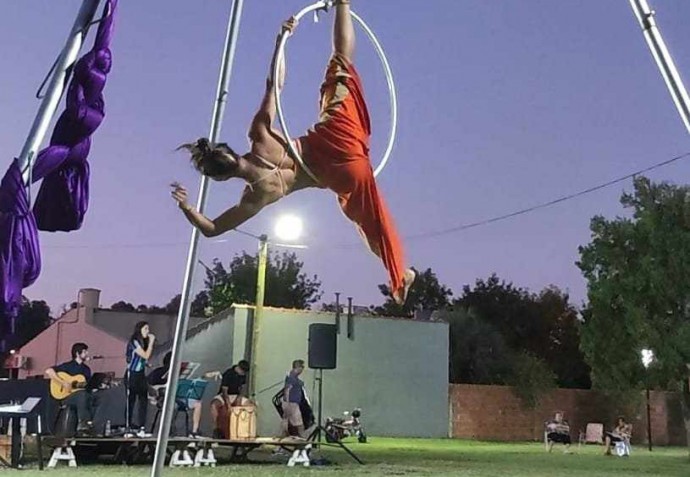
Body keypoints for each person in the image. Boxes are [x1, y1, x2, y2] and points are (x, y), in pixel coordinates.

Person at [171, 0, 416, 305]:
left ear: (220, 179)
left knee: (368, 223)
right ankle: (343, 3)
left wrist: (186, 208)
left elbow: (212, 229)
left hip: (339, 175)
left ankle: (398, 273)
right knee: (340, 65)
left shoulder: (255, 196)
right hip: (339, 136)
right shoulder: (259, 136)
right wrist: (281, 42)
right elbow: (275, 84)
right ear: (227, 149)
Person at [45, 343, 98, 436]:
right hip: (65, 397)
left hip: (80, 395)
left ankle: (94, 425)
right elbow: (48, 371)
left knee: (91, 396)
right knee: (82, 395)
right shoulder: (68, 366)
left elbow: (87, 385)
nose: (87, 353)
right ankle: (82, 424)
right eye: (85, 352)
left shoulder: (86, 369)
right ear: (77, 354)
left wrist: (94, 388)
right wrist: (63, 383)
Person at [148, 352, 204, 438]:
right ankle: (169, 429)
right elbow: (149, 386)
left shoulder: (179, 373)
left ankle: (194, 431)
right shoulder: (158, 372)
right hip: (163, 400)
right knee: (171, 404)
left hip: (179, 398)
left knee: (198, 404)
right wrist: (161, 388)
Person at [125, 321, 155, 437]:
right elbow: (145, 355)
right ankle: (128, 427)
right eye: (146, 329)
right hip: (132, 374)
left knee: (143, 400)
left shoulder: (143, 343)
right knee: (130, 401)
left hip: (141, 374)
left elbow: (143, 358)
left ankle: (141, 427)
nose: (148, 331)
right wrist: (151, 342)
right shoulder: (134, 342)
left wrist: (146, 364)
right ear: (140, 330)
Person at [207, 360, 251, 439]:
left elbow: (242, 388)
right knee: (214, 405)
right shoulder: (228, 373)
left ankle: (245, 429)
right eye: (243, 372)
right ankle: (216, 429)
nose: (243, 374)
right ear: (239, 368)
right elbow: (224, 391)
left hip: (236, 395)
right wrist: (229, 405)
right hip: (224, 395)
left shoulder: (243, 376)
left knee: (249, 405)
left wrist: (239, 398)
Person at [281, 359, 306, 438]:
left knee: (286, 426)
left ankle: (280, 446)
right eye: (302, 367)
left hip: (291, 403)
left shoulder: (293, 377)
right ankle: (303, 444)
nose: (302, 369)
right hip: (292, 404)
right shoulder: (291, 377)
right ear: (298, 367)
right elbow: (287, 390)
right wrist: (287, 404)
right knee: (300, 425)